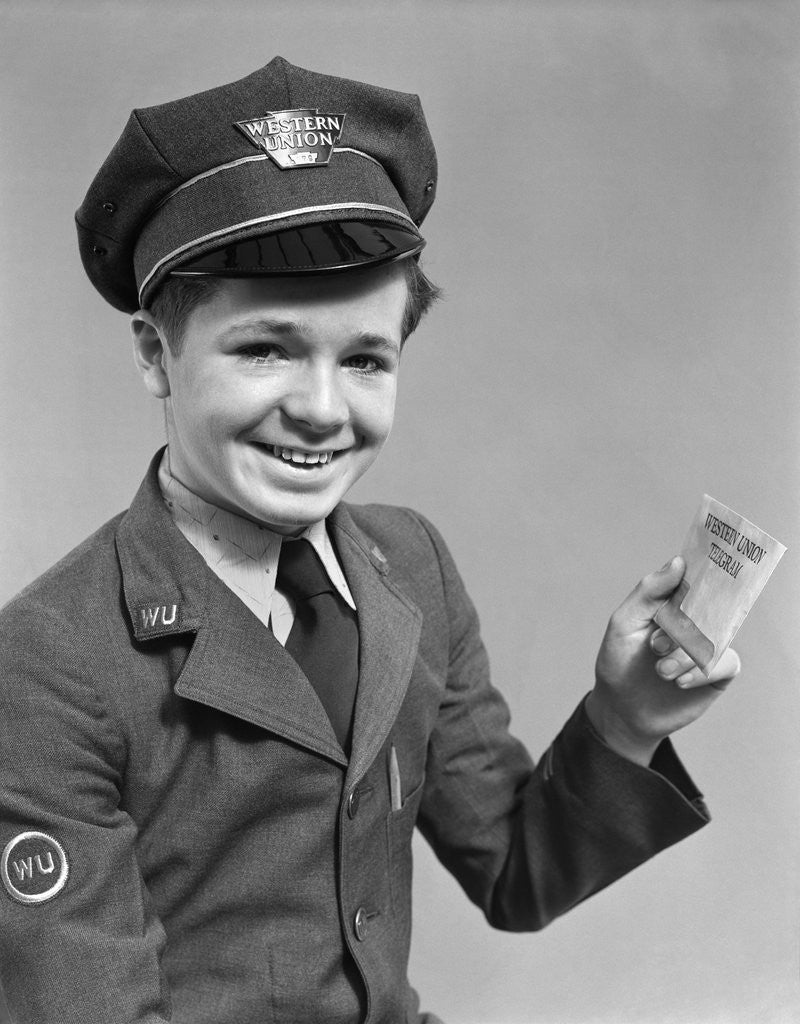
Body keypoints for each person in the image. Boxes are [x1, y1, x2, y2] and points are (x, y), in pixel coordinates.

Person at [0, 57, 740, 1024]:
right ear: (155, 352)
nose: (320, 409)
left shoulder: (412, 567)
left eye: (365, 360)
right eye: (264, 349)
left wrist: (627, 718)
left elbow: (516, 873)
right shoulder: (48, 664)